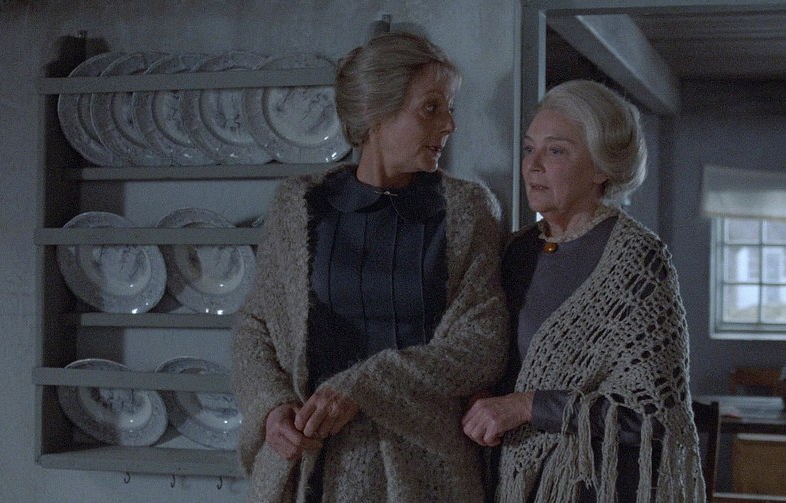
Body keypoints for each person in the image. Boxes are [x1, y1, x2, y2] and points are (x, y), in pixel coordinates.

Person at [232, 31, 508, 503]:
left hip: (430, 472)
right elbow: (256, 327)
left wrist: (363, 386)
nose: (449, 125)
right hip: (312, 467)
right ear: (376, 111)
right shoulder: (299, 206)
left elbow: (482, 343)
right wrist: (272, 407)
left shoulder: (467, 210)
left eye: (449, 108)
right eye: (431, 108)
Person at [462, 79, 706, 502]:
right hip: (508, 481)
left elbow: (649, 415)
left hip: (595, 486)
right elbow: (498, 361)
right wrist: (483, 395)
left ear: (601, 168)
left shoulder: (637, 260)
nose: (533, 165)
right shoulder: (515, 250)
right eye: (529, 149)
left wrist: (527, 406)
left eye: (556, 151)